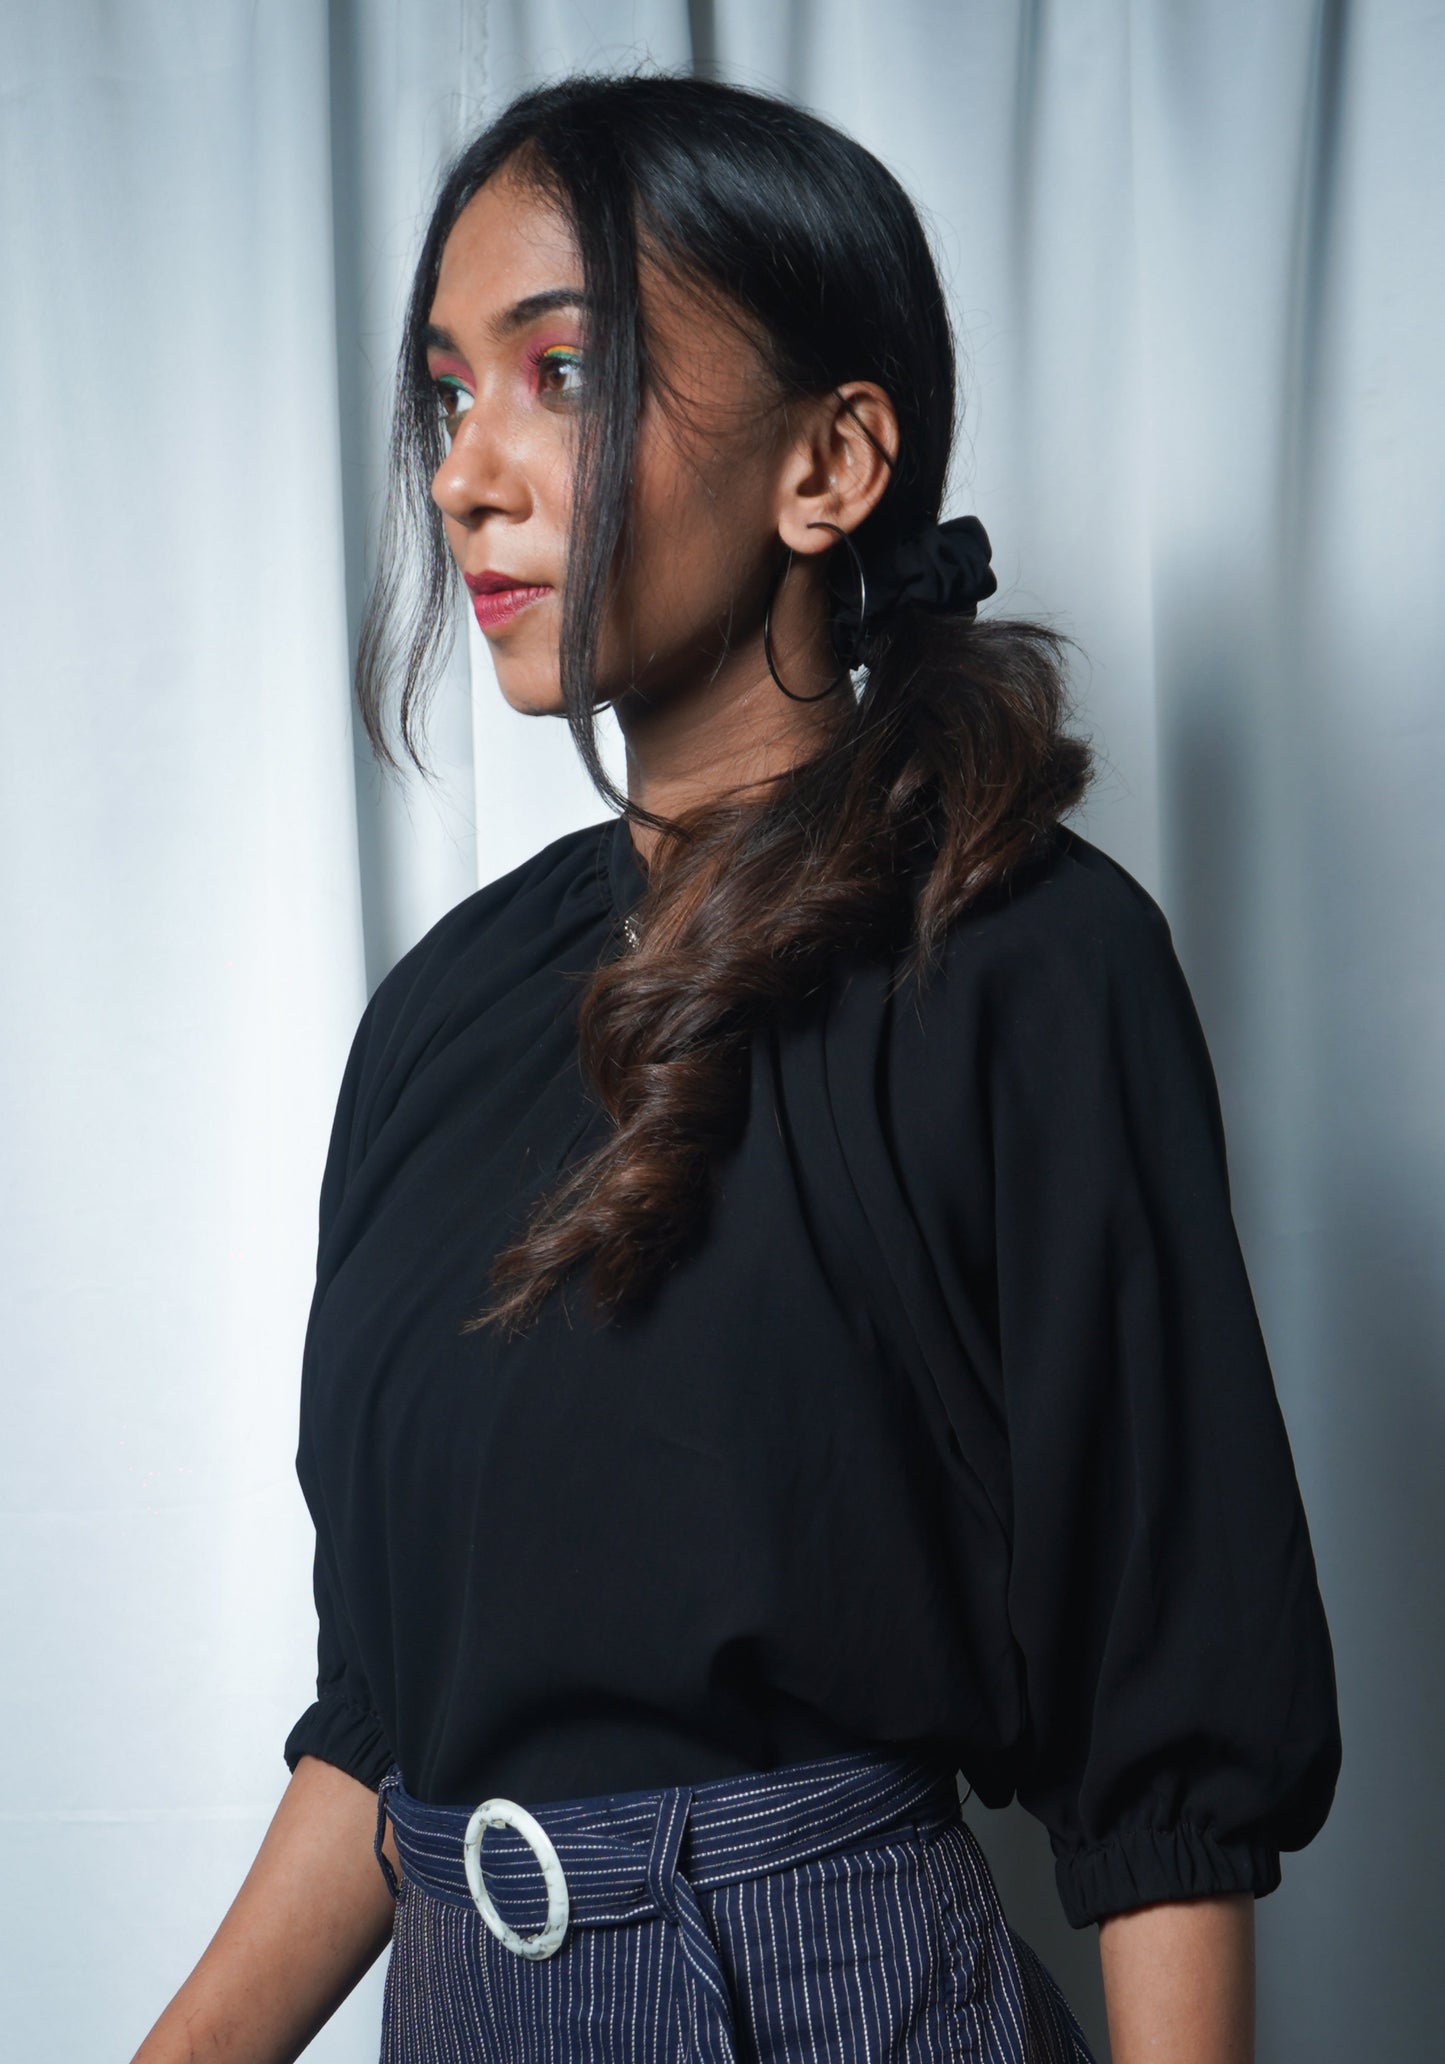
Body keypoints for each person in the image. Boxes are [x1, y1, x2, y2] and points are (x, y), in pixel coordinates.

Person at [132, 71, 1340, 2064]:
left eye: (565, 374)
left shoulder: (1026, 963)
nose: (465, 473)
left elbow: (1163, 1755)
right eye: (449, 392)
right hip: (459, 1998)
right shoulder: (443, 1010)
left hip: (829, 2003)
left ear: (830, 462)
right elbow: (388, 1728)